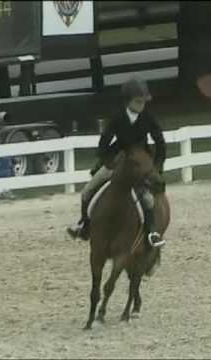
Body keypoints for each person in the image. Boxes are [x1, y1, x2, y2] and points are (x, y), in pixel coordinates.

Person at [67, 77, 167, 247]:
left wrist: (157, 165)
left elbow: (160, 142)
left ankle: (152, 233)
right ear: (128, 101)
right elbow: (104, 143)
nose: (142, 105)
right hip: (118, 159)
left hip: (140, 163)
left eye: (144, 101)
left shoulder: (148, 117)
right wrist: (108, 163)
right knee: (87, 191)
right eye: (138, 101)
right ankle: (85, 225)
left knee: (148, 199)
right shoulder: (117, 117)